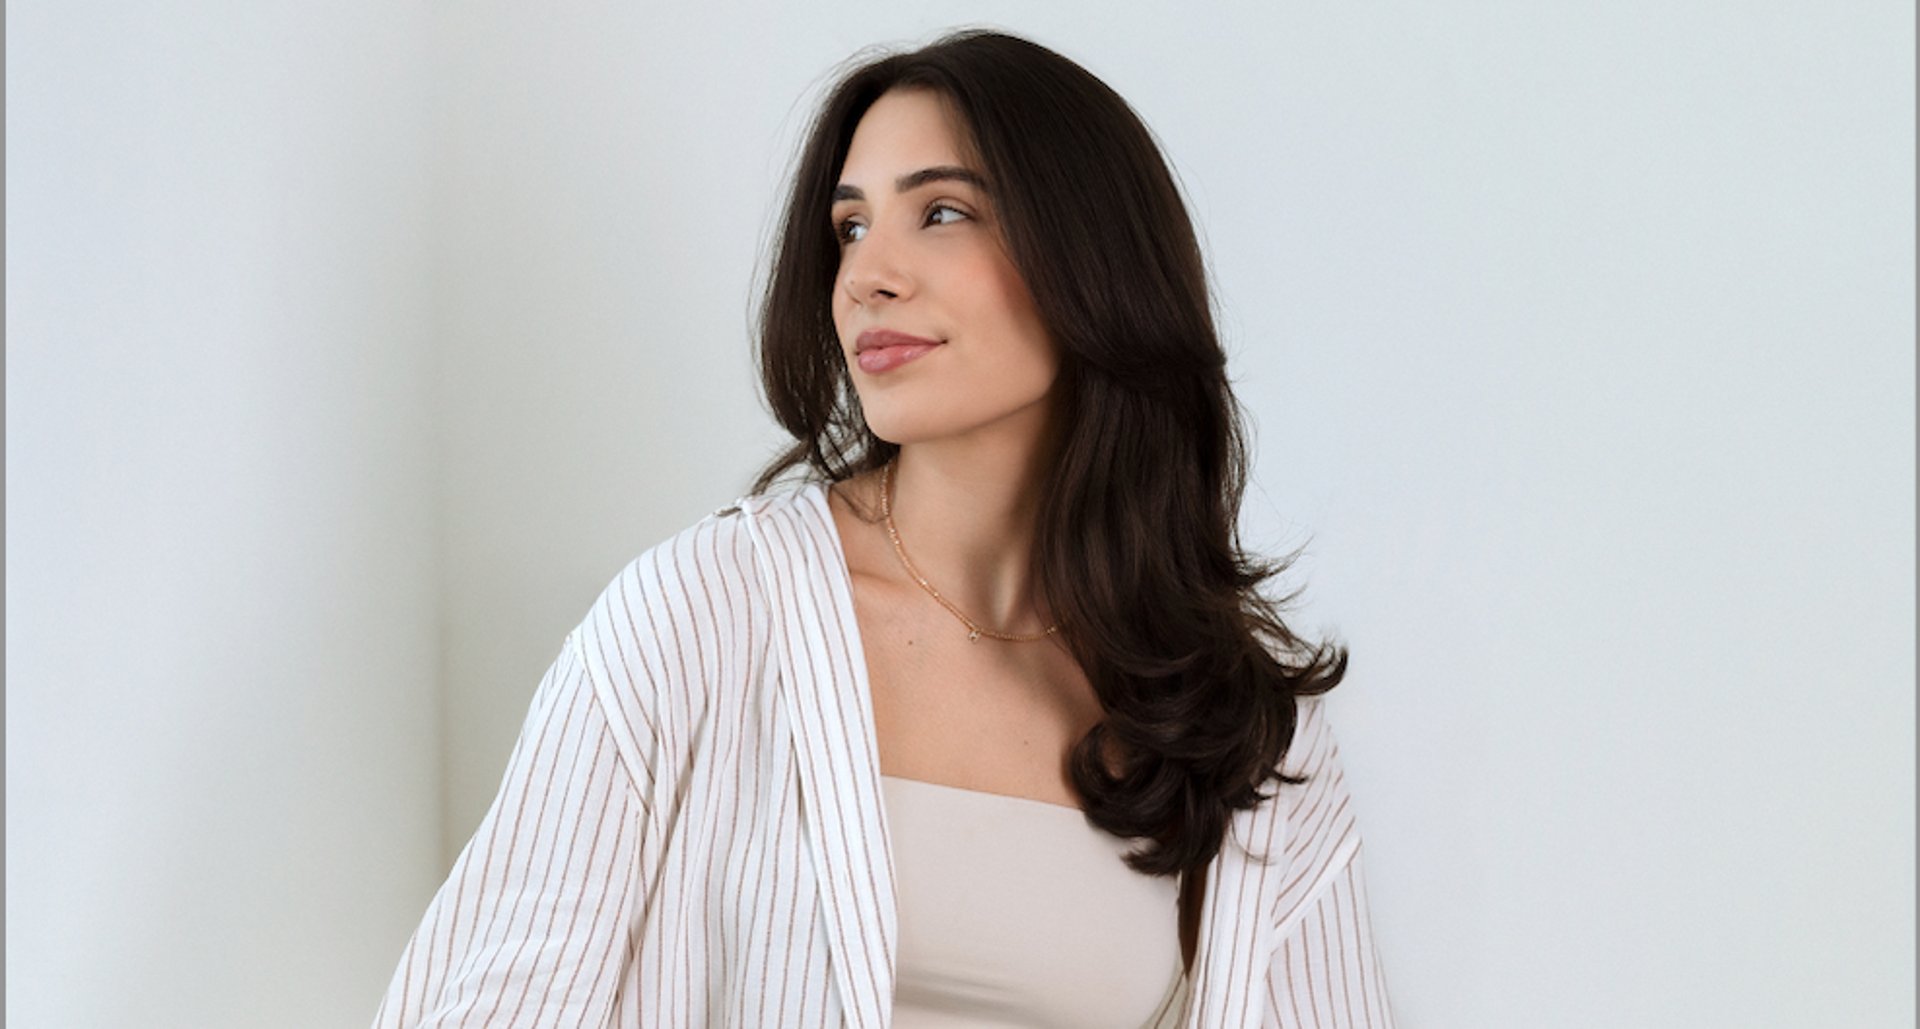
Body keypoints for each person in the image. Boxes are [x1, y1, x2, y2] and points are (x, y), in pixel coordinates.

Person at [373, 28, 1392, 1029]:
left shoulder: (1242, 724)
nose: (868, 275)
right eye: (851, 228)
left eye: (942, 213)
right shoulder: (702, 618)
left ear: (1093, 258)